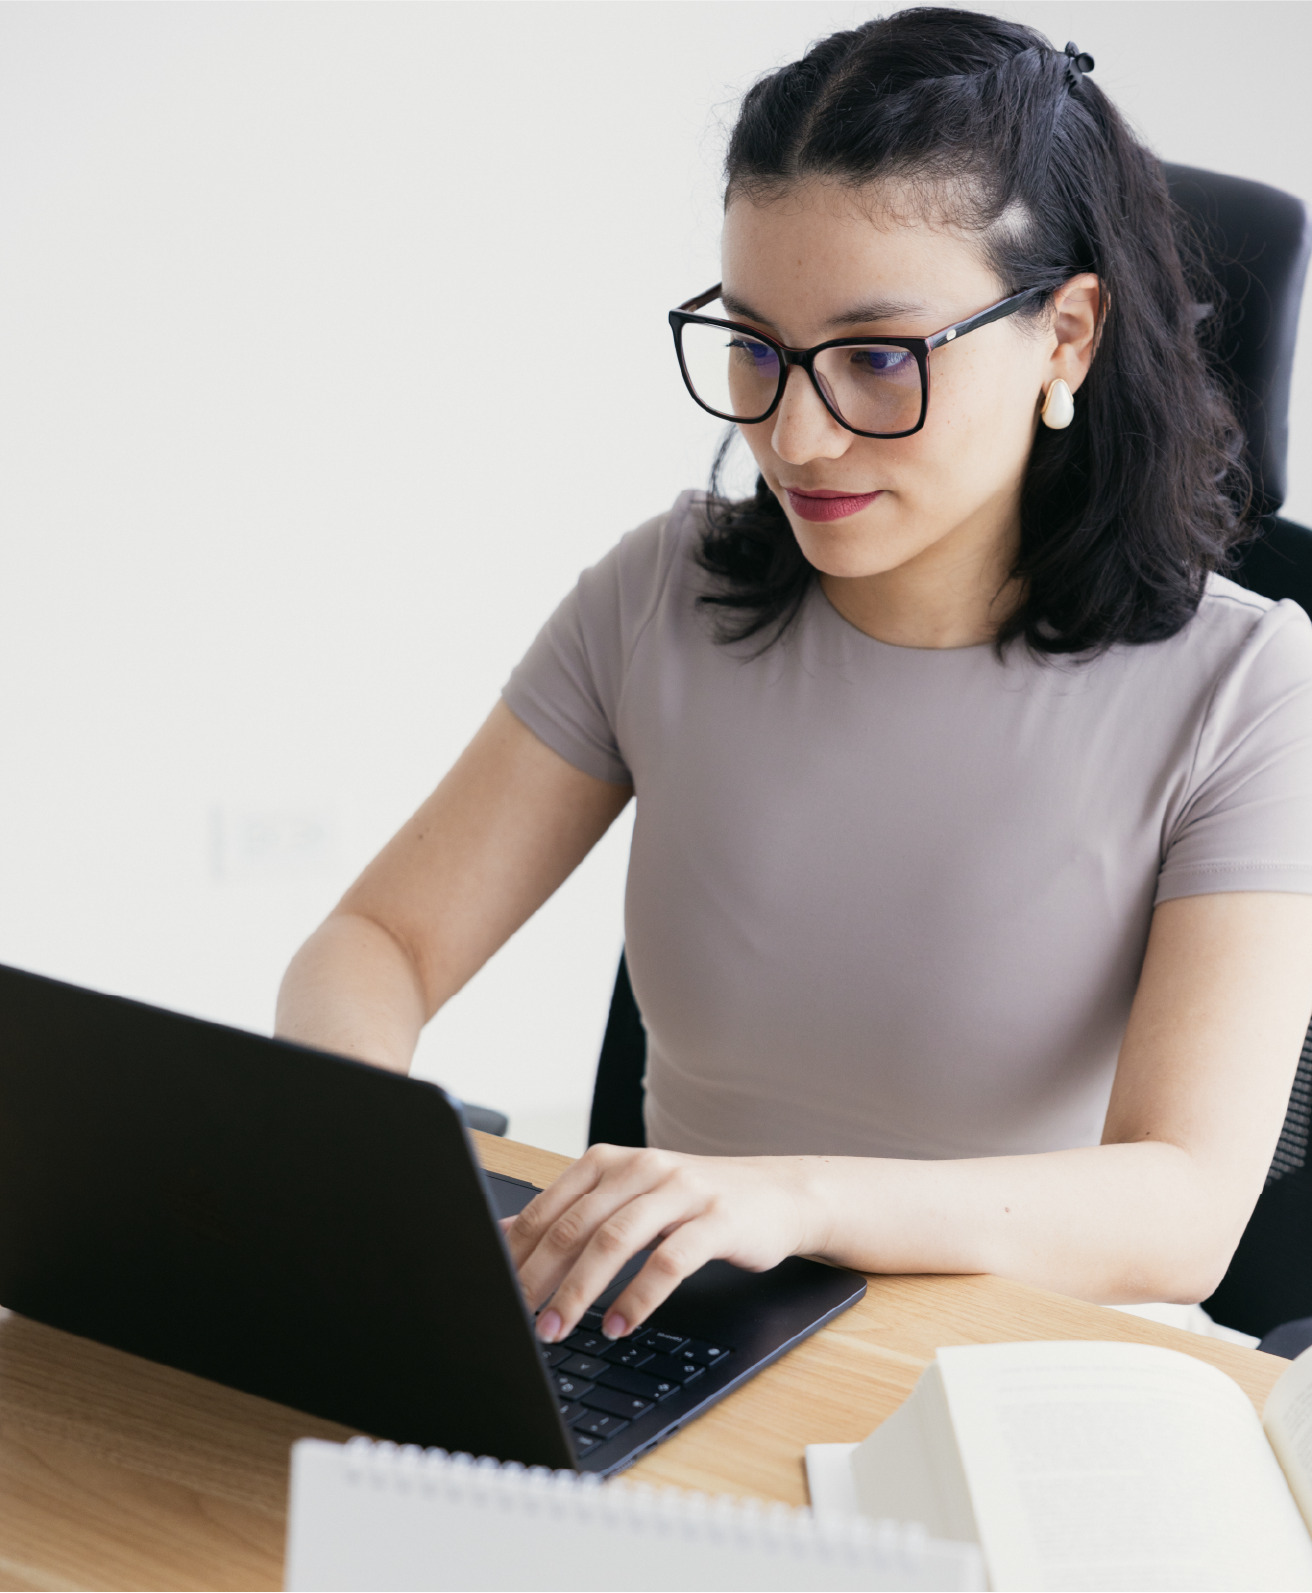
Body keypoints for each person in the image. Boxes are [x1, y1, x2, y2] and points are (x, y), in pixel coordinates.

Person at [276, 7, 1312, 1349]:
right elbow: (379, 943)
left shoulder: (1248, 688)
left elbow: (1182, 1203)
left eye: (878, 358)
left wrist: (791, 1200)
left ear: (1064, 335)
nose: (799, 433)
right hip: (662, 1351)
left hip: (1005, 1396)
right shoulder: (662, 595)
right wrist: (359, 1167)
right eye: (756, 346)